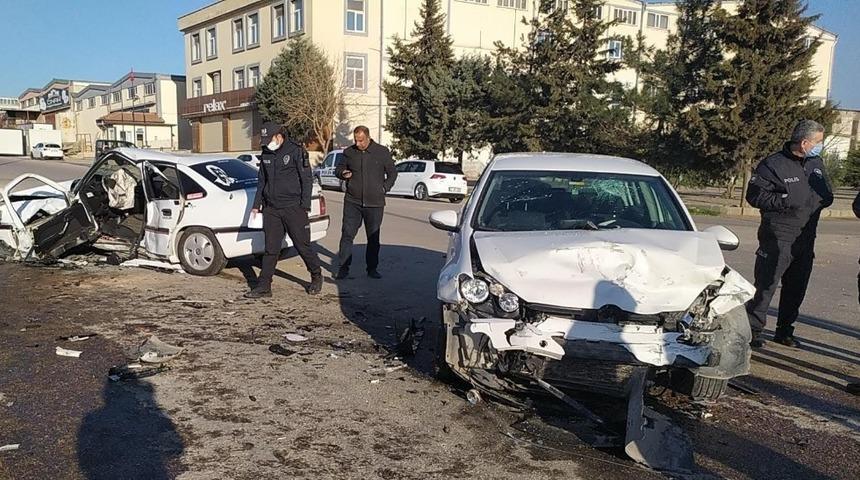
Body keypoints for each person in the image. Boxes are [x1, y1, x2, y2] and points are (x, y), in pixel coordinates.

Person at [745, 119, 833, 348]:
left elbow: (824, 190)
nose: (819, 146)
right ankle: (753, 330)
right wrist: (784, 201)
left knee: (796, 287)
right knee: (766, 286)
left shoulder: (815, 163)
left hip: (805, 237)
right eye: (817, 142)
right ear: (804, 143)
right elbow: (754, 196)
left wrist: (824, 198)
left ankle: (784, 331)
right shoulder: (773, 165)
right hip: (778, 235)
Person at [245, 122, 323, 298]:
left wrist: (304, 206)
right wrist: (256, 206)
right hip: (271, 208)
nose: (267, 143)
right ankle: (264, 286)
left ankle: (316, 275)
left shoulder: (296, 151)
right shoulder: (266, 153)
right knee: (271, 249)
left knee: (302, 245)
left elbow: (307, 180)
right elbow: (261, 182)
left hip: (293, 207)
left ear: (279, 136)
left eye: (269, 139)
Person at [334, 126, 397, 280]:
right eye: (356, 140)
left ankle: (372, 269)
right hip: (352, 201)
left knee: (373, 238)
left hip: (375, 203)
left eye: (361, 140)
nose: (358, 143)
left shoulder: (381, 152)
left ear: (368, 138)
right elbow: (339, 168)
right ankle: (343, 268)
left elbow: (392, 173)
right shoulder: (349, 152)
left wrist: (385, 187)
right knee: (347, 235)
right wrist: (343, 173)